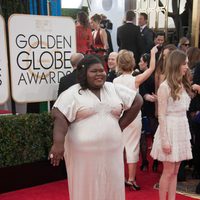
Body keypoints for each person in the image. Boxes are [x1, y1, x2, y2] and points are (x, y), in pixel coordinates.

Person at [49, 55, 143, 200]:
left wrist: (120, 125)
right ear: (83, 73)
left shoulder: (113, 88)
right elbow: (59, 116)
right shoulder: (72, 93)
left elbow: (137, 100)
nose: (100, 74)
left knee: (111, 187)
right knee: (86, 190)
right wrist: (58, 143)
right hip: (83, 157)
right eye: (94, 71)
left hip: (112, 153)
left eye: (102, 70)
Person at [113, 46, 157, 190]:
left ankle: (119, 178)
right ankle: (131, 179)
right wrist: (152, 53)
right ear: (132, 63)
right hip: (134, 117)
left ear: (119, 64)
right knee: (133, 147)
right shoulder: (135, 80)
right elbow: (151, 69)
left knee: (119, 148)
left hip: (119, 117)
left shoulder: (115, 82)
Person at [150, 50, 193, 200]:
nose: (187, 67)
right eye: (184, 64)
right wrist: (165, 140)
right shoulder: (164, 87)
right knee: (168, 172)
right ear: (176, 65)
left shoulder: (184, 83)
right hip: (169, 129)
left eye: (187, 63)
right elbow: (161, 115)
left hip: (182, 128)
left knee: (175, 172)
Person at [139, 53, 158, 171]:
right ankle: (155, 162)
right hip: (151, 109)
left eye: (141, 61)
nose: (139, 63)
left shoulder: (141, 76)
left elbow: (141, 92)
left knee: (143, 137)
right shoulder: (156, 76)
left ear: (146, 63)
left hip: (144, 110)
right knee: (155, 136)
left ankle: (145, 162)